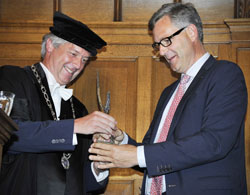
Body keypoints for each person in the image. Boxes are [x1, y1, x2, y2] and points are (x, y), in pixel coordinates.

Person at [89, 3, 248, 195]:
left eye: (166, 41)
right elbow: (154, 155)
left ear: (191, 32)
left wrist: (138, 155)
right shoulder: (169, 92)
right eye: (158, 45)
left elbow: (214, 142)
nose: (162, 52)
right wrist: (122, 141)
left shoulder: (225, 74)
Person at [0, 11, 119, 195]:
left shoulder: (78, 109)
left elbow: (89, 184)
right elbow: (12, 137)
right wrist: (74, 127)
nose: (78, 65)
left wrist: (100, 163)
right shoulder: (13, 79)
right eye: (73, 53)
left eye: (84, 59)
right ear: (50, 46)